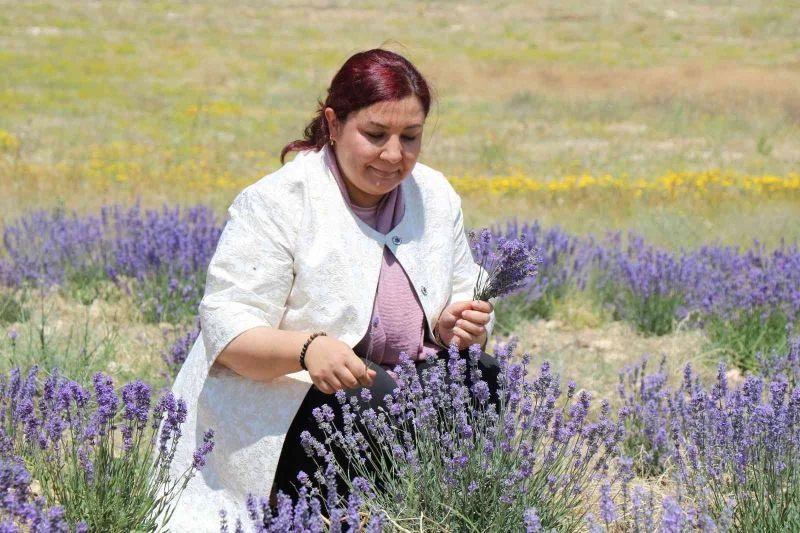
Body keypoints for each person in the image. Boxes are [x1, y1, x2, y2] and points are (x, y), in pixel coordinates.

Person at [167, 48, 499, 531]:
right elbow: (229, 333)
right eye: (375, 135)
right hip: (287, 402)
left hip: (393, 389)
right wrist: (307, 348)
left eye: (410, 137)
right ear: (334, 123)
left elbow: (464, 300)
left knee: (480, 377)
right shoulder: (278, 202)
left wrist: (457, 327)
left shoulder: (435, 194)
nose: (393, 155)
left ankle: (444, 513)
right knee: (371, 398)